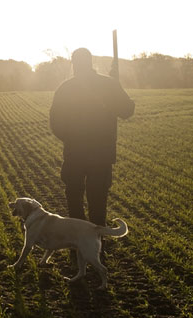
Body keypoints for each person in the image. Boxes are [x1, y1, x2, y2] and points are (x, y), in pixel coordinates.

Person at [49, 47, 134, 227]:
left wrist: (71, 139)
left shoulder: (65, 88)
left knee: (74, 199)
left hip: (74, 154)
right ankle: (96, 244)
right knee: (98, 200)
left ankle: (77, 242)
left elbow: (55, 123)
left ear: (74, 64)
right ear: (91, 62)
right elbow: (127, 111)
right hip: (102, 154)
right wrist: (116, 89)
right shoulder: (109, 84)